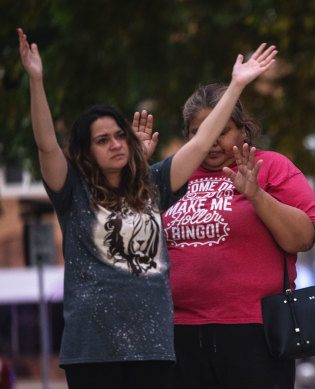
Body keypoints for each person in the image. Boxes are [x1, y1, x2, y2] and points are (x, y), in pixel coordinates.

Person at [18, 27, 277, 389]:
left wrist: (236, 86)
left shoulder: (153, 185)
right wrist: (36, 81)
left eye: (120, 135)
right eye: (102, 140)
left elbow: (202, 142)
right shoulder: (72, 192)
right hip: (92, 350)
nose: (116, 144)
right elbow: (46, 146)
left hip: (153, 347)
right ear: (85, 151)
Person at [160, 83, 315, 389]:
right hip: (179, 333)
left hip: (255, 332)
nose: (212, 142)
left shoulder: (271, 167)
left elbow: (303, 238)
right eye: (199, 132)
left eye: (222, 129)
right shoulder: (173, 175)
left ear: (243, 131)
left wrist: (256, 195)